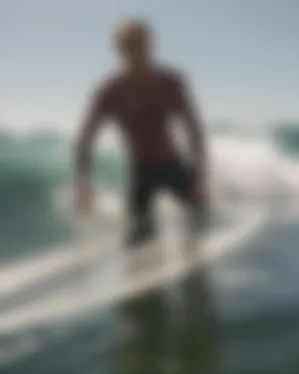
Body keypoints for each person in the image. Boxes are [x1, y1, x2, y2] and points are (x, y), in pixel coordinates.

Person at [74, 19, 209, 246]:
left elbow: (194, 130)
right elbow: (86, 138)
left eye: (141, 44)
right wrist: (83, 182)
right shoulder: (111, 91)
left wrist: (200, 178)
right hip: (140, 172)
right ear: (120, 50)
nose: (137, 51)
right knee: (138, 238)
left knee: (202, 219)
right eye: (130, 46)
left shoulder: (170, 82)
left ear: (151, 44)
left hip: (172, 165)